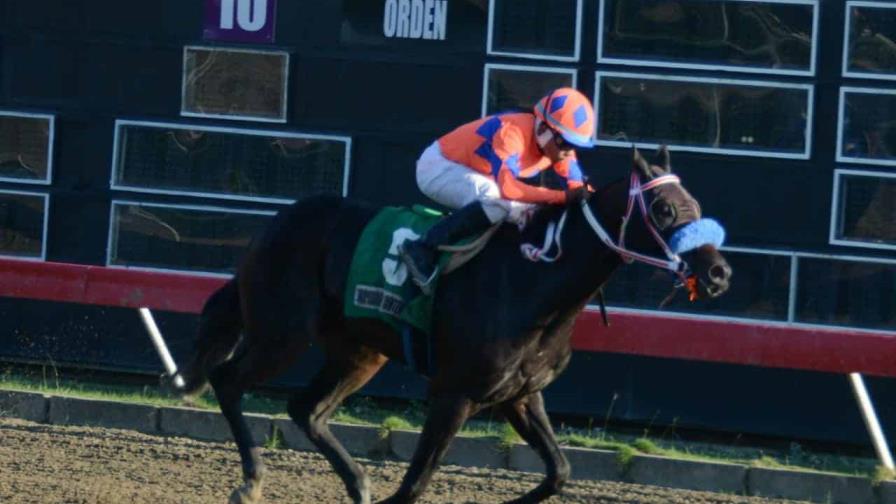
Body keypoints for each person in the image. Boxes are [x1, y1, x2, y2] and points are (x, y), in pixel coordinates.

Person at [398, 87, 596, 294]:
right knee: (495, 197)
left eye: (574, 146)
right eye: (564, 143)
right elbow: (509, 189)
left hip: (474, 172)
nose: (568, 152)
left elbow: (580, 189)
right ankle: (421, 248)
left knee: (524, 210)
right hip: (438, 167)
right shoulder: (512, 131)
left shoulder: (557, 148)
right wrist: (561, 197)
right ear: (543, 129)